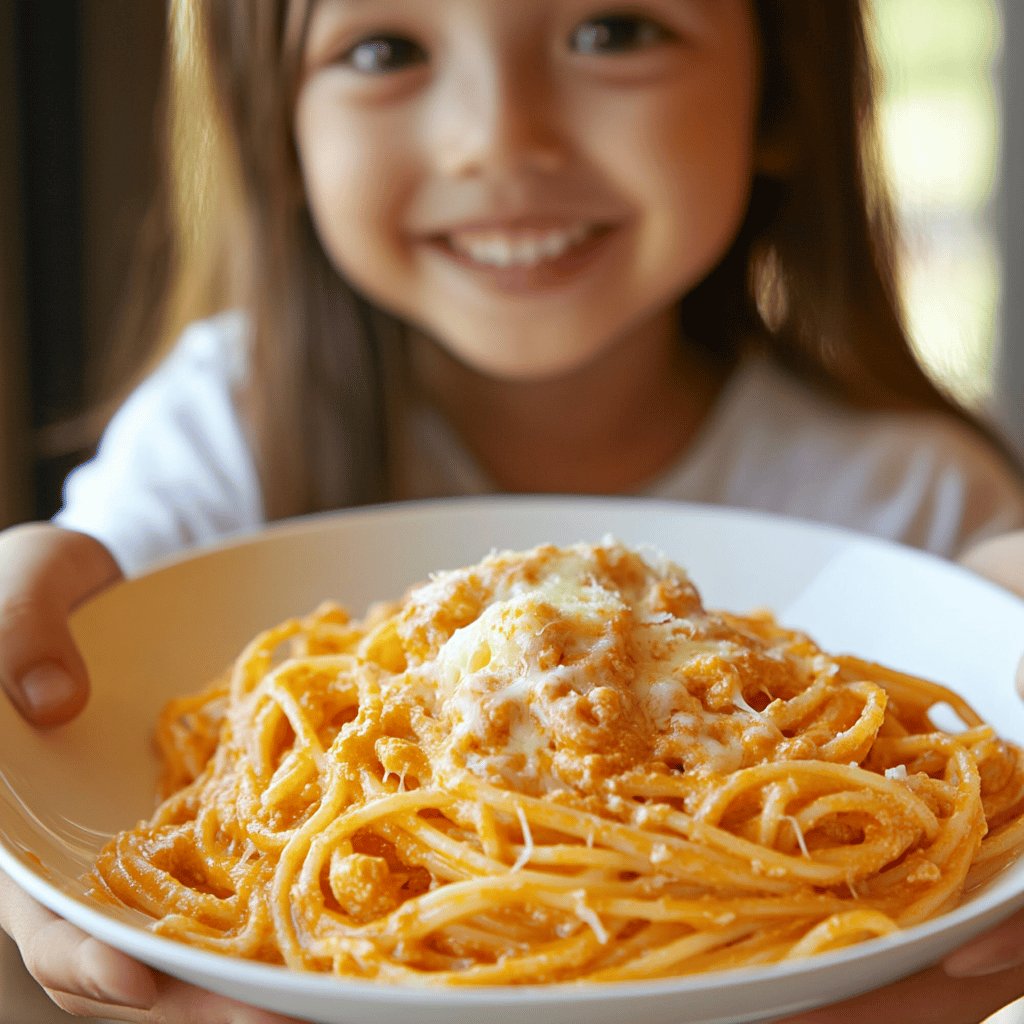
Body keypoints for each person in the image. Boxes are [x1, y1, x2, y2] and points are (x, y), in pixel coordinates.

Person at [1, 0, 1024, 1021]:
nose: (497, 136)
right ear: (277, 125)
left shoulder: (920, 497)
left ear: (781, 93)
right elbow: (90, 656)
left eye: (611, 32)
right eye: (384, 49)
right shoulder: (216, 433)